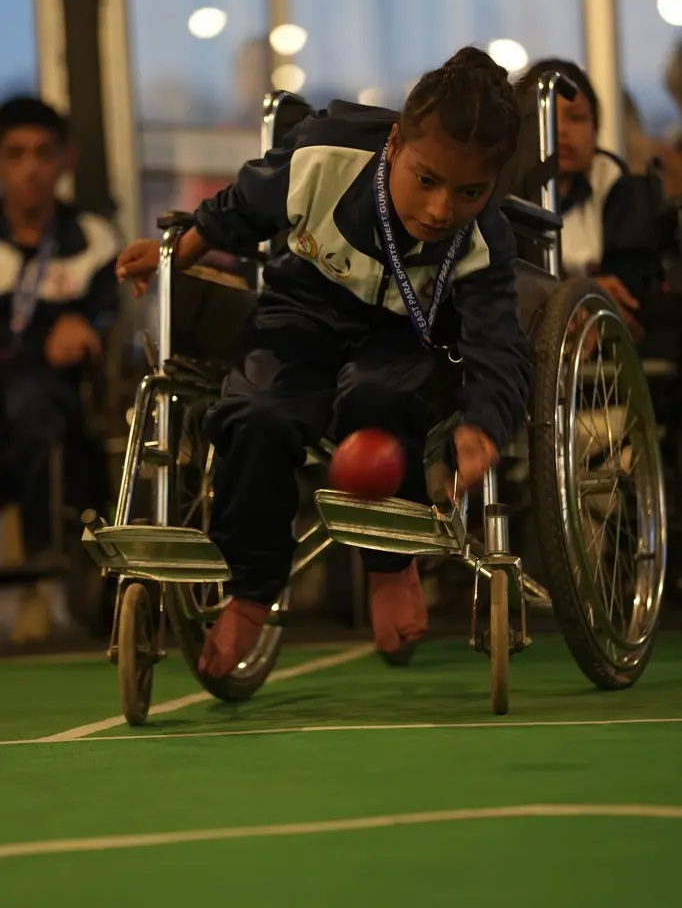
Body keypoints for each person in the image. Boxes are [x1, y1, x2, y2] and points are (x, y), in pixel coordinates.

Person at [116, 47, 532, 675]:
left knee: (379, 399)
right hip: (301, 309)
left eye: (469, 192)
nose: (442, 210)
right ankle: (250, 593)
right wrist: (177, 252)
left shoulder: (483, 237)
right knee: (257, 415)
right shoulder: (322, 154)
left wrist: (484, 425)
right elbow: (241, 209)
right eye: (426, 180)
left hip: (405, 334)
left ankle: (391, 566)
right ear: (395, 144)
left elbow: (498, 344)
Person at [0, 96, 119, 574]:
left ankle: (42, 571)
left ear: (65, 159)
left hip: (58, 396)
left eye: (42, 153)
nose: (30, 169)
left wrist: (84, 326)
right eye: (15, 154)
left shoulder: (94, 237)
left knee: (35, 403)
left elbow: (103, 319)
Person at [515, 59, 663, 341]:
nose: (560, 130)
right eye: (545, 117)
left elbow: (633, 272)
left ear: (596, 129)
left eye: (576, 118)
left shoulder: (614, 182)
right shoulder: (503, 191)